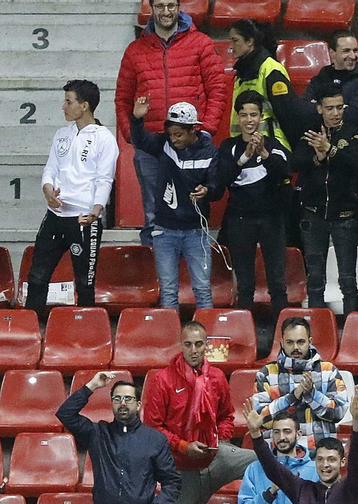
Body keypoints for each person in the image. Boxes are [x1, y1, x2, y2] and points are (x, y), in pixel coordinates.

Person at [116, 0, 229, 245]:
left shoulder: (201, 44)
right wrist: (132, 135)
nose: (166, 12)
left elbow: (218, 90)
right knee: (153, 214)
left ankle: (192, 279)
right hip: (151, 144)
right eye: (159, 6)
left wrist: (206, 131)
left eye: (170, 5)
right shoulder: (135, 50)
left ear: (178, 7)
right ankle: (159, 280)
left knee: (191, 212)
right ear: (151, 9)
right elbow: (123, 98)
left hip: (190, 143)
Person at [142, 321, 254, 504]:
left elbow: (226, 416)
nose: (193, 350)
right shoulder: (163, 380)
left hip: (216, 456)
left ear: (206, 346)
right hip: (182, 467)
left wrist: (221, 438)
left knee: (266, 462)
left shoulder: (217, 377)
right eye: (188, 344)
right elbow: (153, 429)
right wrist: (183, 447)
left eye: (198, 344)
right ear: (180, 346)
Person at [25, 80, 118, 316]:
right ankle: (32, 328)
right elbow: (50, 169)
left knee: (85, 283)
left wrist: (96, 211)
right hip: (55, 216)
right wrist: (47, 189)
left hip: (84, 218)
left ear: (84, 105)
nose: (63, 107)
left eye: (68, 101)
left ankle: (86, 334)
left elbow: (104, 179)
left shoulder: (104, 138)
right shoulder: (62, 134)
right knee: (37, 276)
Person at [131, 97, 222, 310]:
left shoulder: (210, 152)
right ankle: (169, 340)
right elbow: (141, 141)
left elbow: (218, 185)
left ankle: (206, 338)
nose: (174, 139)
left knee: (202, 288)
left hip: (196, 232)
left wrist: (207, 191)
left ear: (193, 130)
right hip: (165, 231)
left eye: (179, 134)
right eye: (171, 134)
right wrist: (137, 119)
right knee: (168, 290)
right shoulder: (164, 144)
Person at [59, 371, 180, 504]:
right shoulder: (98, 433)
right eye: (117, 399)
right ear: (112, 404)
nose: (122, 403)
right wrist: (93, 385)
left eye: (128, 398)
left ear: (138, 405)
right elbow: (65, 414)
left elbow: (172, 481)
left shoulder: (155, 439)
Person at [220, 90, 295, 317]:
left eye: (254, 114)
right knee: (244, 284)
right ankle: (244, 334)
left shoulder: (273, 146)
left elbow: (285, 172)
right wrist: (244, 158)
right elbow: (222, 178)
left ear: (261, 116)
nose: (249, 120)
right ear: (238, 118)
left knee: (277, 283)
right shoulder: (228, 147)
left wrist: (263, 153)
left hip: (271, 219)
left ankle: (283, 335)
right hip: (239, 220)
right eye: (244, 115)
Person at [293, 90, 358, 312]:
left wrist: (332, 151)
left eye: (340, 107)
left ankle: (351, 331)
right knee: (315, 279)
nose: (336, 113)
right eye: (330, 108)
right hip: (313, 213)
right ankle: (316, 331)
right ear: (319, 109)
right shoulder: (309, 134)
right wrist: (318, 157)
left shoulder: (354, 133)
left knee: (348, 280)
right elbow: (294, 163)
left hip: (345, 215)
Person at [250, 316, 350, 449]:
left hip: (319, 458)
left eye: (301, 342)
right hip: (279, 457)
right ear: (282, 343)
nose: (295, 347)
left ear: (310, 341)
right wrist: (293, 397)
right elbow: (261, 419)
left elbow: (338, 412)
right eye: (290, 342)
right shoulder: (266, 373)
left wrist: (312, 395)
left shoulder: (328, 370)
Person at [227, 19, 303, 151]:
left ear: (250, 41)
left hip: (270, 149)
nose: (231, 46)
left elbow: (289, 115)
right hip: (246, 148)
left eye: (235, 40)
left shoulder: (271, 69)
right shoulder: (242, 72)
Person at [304, 30, 358, 140]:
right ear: (332, 53)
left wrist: (321, 107)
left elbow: (357, 115)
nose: (353, 56)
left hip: (351, 146)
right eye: (346, 51)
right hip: (318, 143)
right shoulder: (321, 77)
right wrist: (343, 108)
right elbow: (303, 108)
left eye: (355, 50)